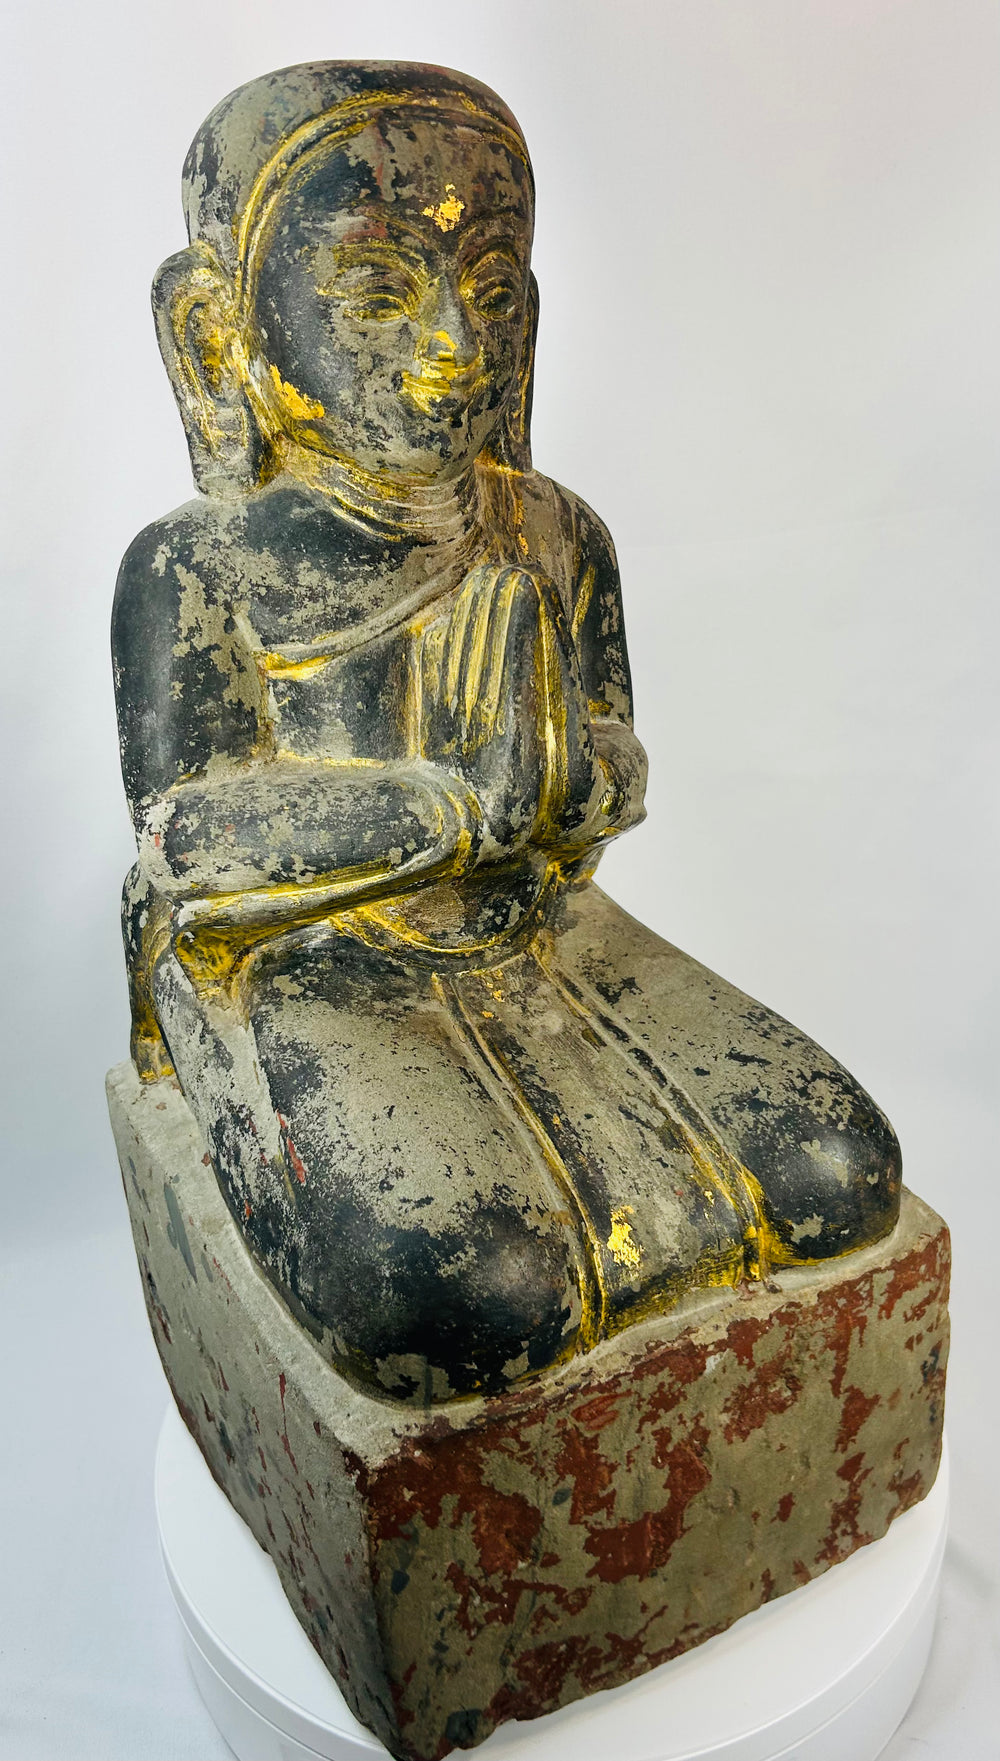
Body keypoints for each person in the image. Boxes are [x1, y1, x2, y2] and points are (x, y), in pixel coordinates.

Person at [113, 62, 900, 1404]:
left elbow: (616, 758)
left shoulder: (548, 531)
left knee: (829, 1166)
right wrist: (446, 809)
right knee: (482, 1289)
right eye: (376, 294)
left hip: (541, 926)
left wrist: (561, 774)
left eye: (488, 288)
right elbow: (188, 836)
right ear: (218, 335)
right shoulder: (204, 572)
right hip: (321, 961)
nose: (451, 352)